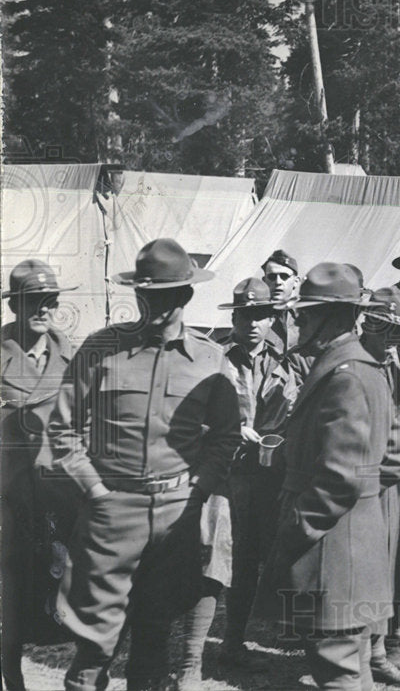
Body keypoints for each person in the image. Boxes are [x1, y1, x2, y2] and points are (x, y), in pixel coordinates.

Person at [47, 238, 241, 691]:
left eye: (163, 295)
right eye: (145, 294)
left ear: (185, 296)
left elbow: (227, 436)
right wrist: (96, 493)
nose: (151, 304)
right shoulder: (100, 349)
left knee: (155, 635)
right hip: (112, 512)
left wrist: (200, 489)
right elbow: (61, 430)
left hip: (179, 514)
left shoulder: (211, 361)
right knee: (96, 641)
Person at [255, 263, 392, 691]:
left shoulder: (345, 377)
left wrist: (297, 528)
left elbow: (340, 476)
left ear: (333, 318)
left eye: (307, 313)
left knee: (337, 670)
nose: (299, 320)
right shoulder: (363, 369)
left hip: (330, 549)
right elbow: (396, 457)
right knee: (351, 667)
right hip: (353, 543)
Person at [175, 278, 294, 688]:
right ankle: (190, 662)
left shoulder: (287, 362)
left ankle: (233, 643)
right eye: (246, 315)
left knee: (250, 563)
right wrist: (230, 427)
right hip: (225, 475)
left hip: (267, 476)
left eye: (262, 316)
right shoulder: (215, 359)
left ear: (271, 319)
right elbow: (192, 415)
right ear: (235, 317)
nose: (254, 324)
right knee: (214, 561)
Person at [1, 260, 78, 691]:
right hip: (8, 494)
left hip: (59, 494)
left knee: (60, 584)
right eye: (35, 302)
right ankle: (11, 677)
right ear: (16, 305)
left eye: (51, 301)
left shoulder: (72, 354)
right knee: (8, 591)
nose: (45, 310)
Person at [359, 289, 400, 687]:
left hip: (396, 482)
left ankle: (381, 647)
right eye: (388, 331)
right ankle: (363, 655)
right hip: (366, 482)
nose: (395, 340)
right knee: (364, 571)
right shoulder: (357, 364)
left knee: (394, 566)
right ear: (369, 324)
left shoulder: (391, 365)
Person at [261, 249, 301, 353]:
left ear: (296, 282)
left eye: (284, 276)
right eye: (272, 277)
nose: (278, 282)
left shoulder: (310, 318)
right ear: (264, 281)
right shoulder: (255, 320)